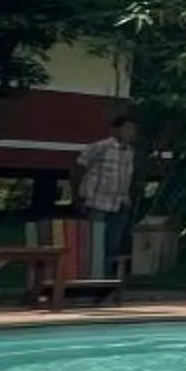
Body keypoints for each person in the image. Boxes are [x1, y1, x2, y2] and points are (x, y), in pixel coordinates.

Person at [72, 114, 139, 279]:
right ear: (115, 130)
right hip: (97, 202)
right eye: (127, 129)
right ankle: (89, 275)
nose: (131, 133)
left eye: (133, 130)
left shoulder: (130, 152)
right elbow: (78, 167)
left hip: (119, 203)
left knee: (112, 244)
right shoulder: (100, 147)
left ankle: (106, 277)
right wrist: (78, 195)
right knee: (95, 242)